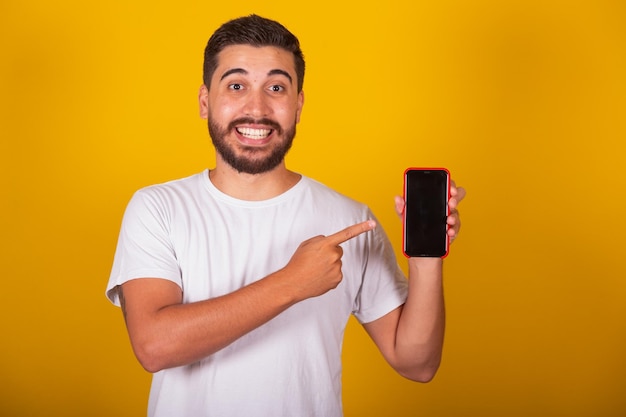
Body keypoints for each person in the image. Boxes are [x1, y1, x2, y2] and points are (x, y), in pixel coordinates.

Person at [106, 14, 465, 417]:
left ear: (298, 103)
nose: (256, 108)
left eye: (276, 87)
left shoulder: (349, 220)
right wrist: (293, 282)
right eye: (237, 86)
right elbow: (154, 345)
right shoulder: (158, 208)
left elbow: (417, 362)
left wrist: (427, 258)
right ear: (205, 102)